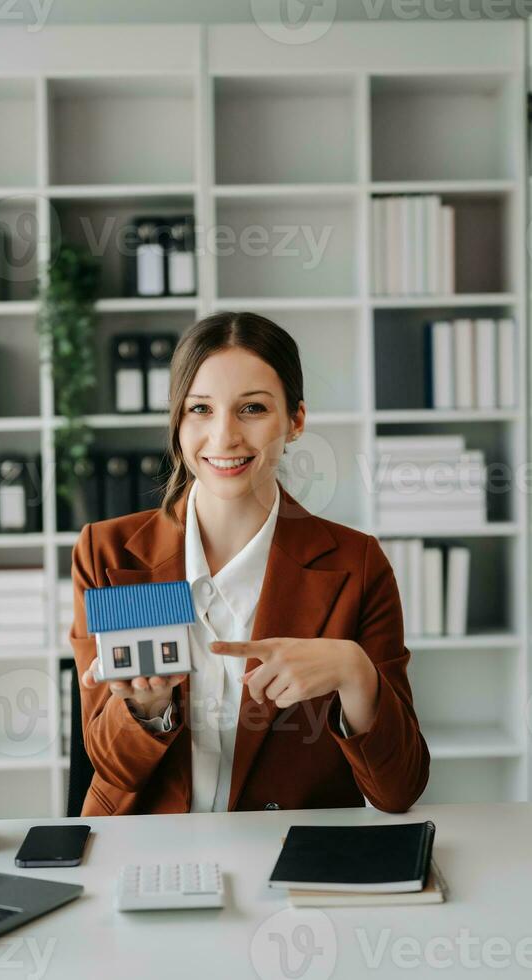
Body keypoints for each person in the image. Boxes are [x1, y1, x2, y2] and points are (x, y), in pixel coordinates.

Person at [70, 311, 429, 817]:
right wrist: (146, 711)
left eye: (253, 409)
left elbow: (401, 789)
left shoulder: (357, 565)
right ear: (177, 422)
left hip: (289, 858)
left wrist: (357, 675)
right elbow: (113, 771)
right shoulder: (109, 554)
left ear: (295, 420)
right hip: (145, 853)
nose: (224, 437)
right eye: (200, 409)